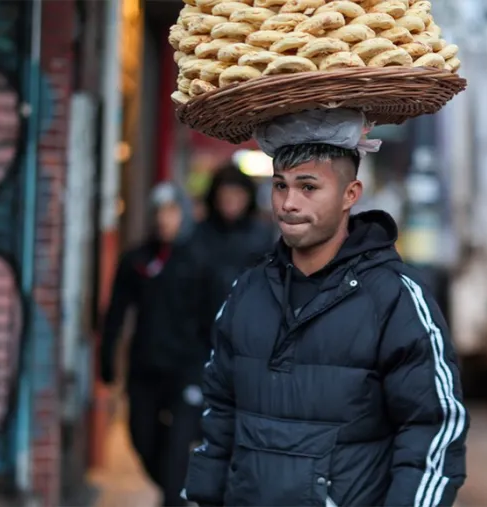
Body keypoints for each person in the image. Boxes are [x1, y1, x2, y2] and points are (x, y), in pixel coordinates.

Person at [184, 109, 468, 507]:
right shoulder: (246, 292)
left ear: (350, 194)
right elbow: (219, 418)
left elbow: (433, 429)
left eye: (308, 187)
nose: (288, 203)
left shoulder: (395, 299)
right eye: (280, 186)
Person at [100, 182, 208, 507]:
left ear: (184, 215)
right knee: (143, 440)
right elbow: (116, 312)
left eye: (172, 211)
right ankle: (184, 492)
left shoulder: (199, 261)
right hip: (144, 371)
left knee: (177, 453)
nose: (164, 219)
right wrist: (106, 360)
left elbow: (214, 320)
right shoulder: (137, 260)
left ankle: (177, 495)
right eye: (158, 212)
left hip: (187, 374)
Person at [193, 162, 276, 319]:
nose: (231, 201)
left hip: (249, 320)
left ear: (248, 197)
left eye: (237, 195)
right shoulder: (198, 234)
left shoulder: (261, 235)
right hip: (202, 323)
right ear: (215, 198)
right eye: (226, 195)